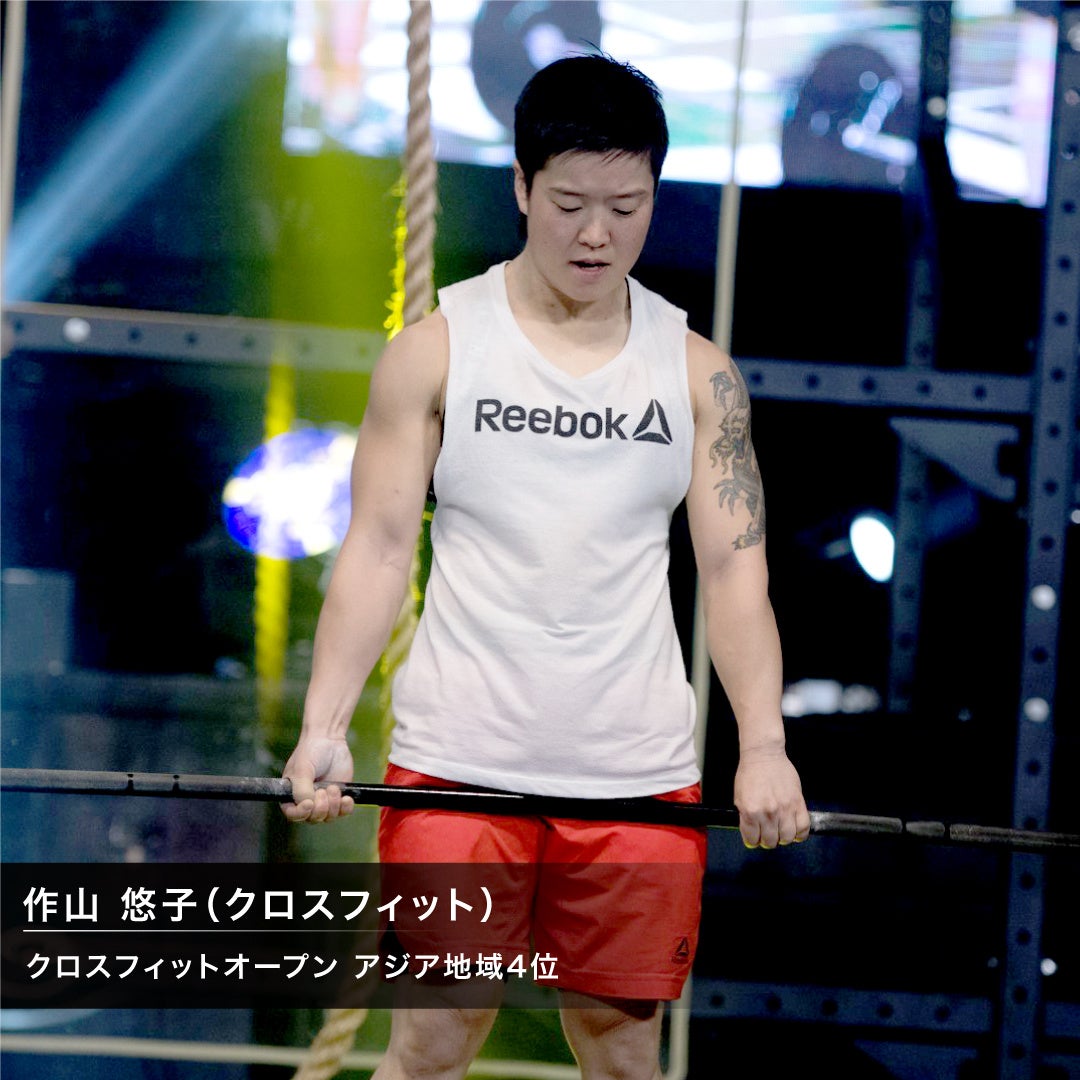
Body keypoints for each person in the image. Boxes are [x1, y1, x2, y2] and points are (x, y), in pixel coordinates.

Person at [282, 53, 810, 1080]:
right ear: (522, 187)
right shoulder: (436, 352)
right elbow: (378, 548)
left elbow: (736, 576)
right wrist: (323, 730)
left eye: (626, 206)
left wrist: (765, 746)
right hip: (457, 763)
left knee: (623, 1053)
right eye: (570, 204)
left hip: (636, 775)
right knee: (433, 1041)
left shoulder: (698, 377)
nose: (596, 233)